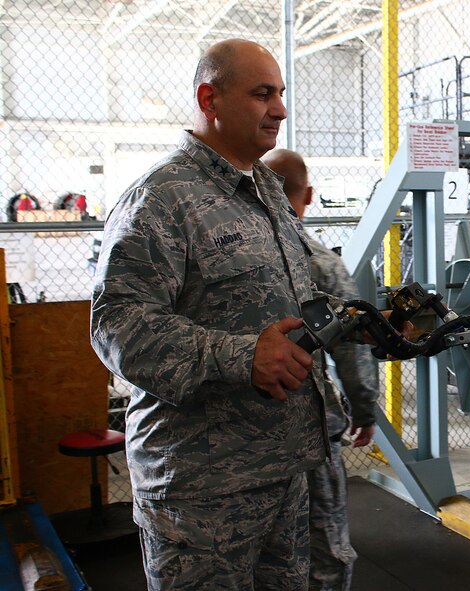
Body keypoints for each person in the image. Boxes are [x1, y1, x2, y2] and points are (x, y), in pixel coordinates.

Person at [91, 39, 330, 590]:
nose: (281, 109)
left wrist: (362, 321)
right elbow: (118, 326)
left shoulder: (266, 189)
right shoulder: (160, 199)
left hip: (279, 468)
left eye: (281, 94)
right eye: (262, 94)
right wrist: (243, 356)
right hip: (200, 491)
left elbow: (288, 300)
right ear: (210, 99)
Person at [262, 149, 378, 590]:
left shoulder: (230, 261)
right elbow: (351, 351)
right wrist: (364, 412)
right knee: (323, 540)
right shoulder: (321, 263)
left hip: (243, 437)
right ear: (308, 194)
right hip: (309, 430)